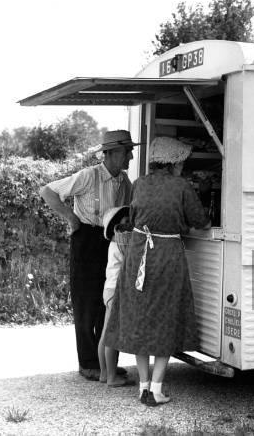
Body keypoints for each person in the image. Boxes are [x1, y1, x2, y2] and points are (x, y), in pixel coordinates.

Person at [105, 136, 210, 406]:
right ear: (174, 162)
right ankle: (157, 388)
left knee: (140, 317)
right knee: (165, 316)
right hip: (166, 256)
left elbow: (134, 215)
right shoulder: (181, 186)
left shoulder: (139, 183)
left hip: (139, 251)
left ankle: (142, 387)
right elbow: (200, 221)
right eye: (181, 162)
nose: (182, 166)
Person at [39, 130, 142, 381]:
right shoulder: (88, 175)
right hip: (86, 240)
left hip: (112, 241)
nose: (130, 156)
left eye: (130, 151)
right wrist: (71, 219)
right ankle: (88, 364)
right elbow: (48, 191)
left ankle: (104, 364)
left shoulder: (124, 182)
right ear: (112, 153)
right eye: (127, 151)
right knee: (86, 302)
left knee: (108, 301)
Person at [97, 205, 133, 387]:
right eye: (126, 222)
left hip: (108, 290)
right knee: (112, 335)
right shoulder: (121, 243)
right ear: (116, 226)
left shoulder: (113, 244)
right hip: (116, 291)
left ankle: (104, 373)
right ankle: (111, 377)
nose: (130, 225)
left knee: (105, 334)